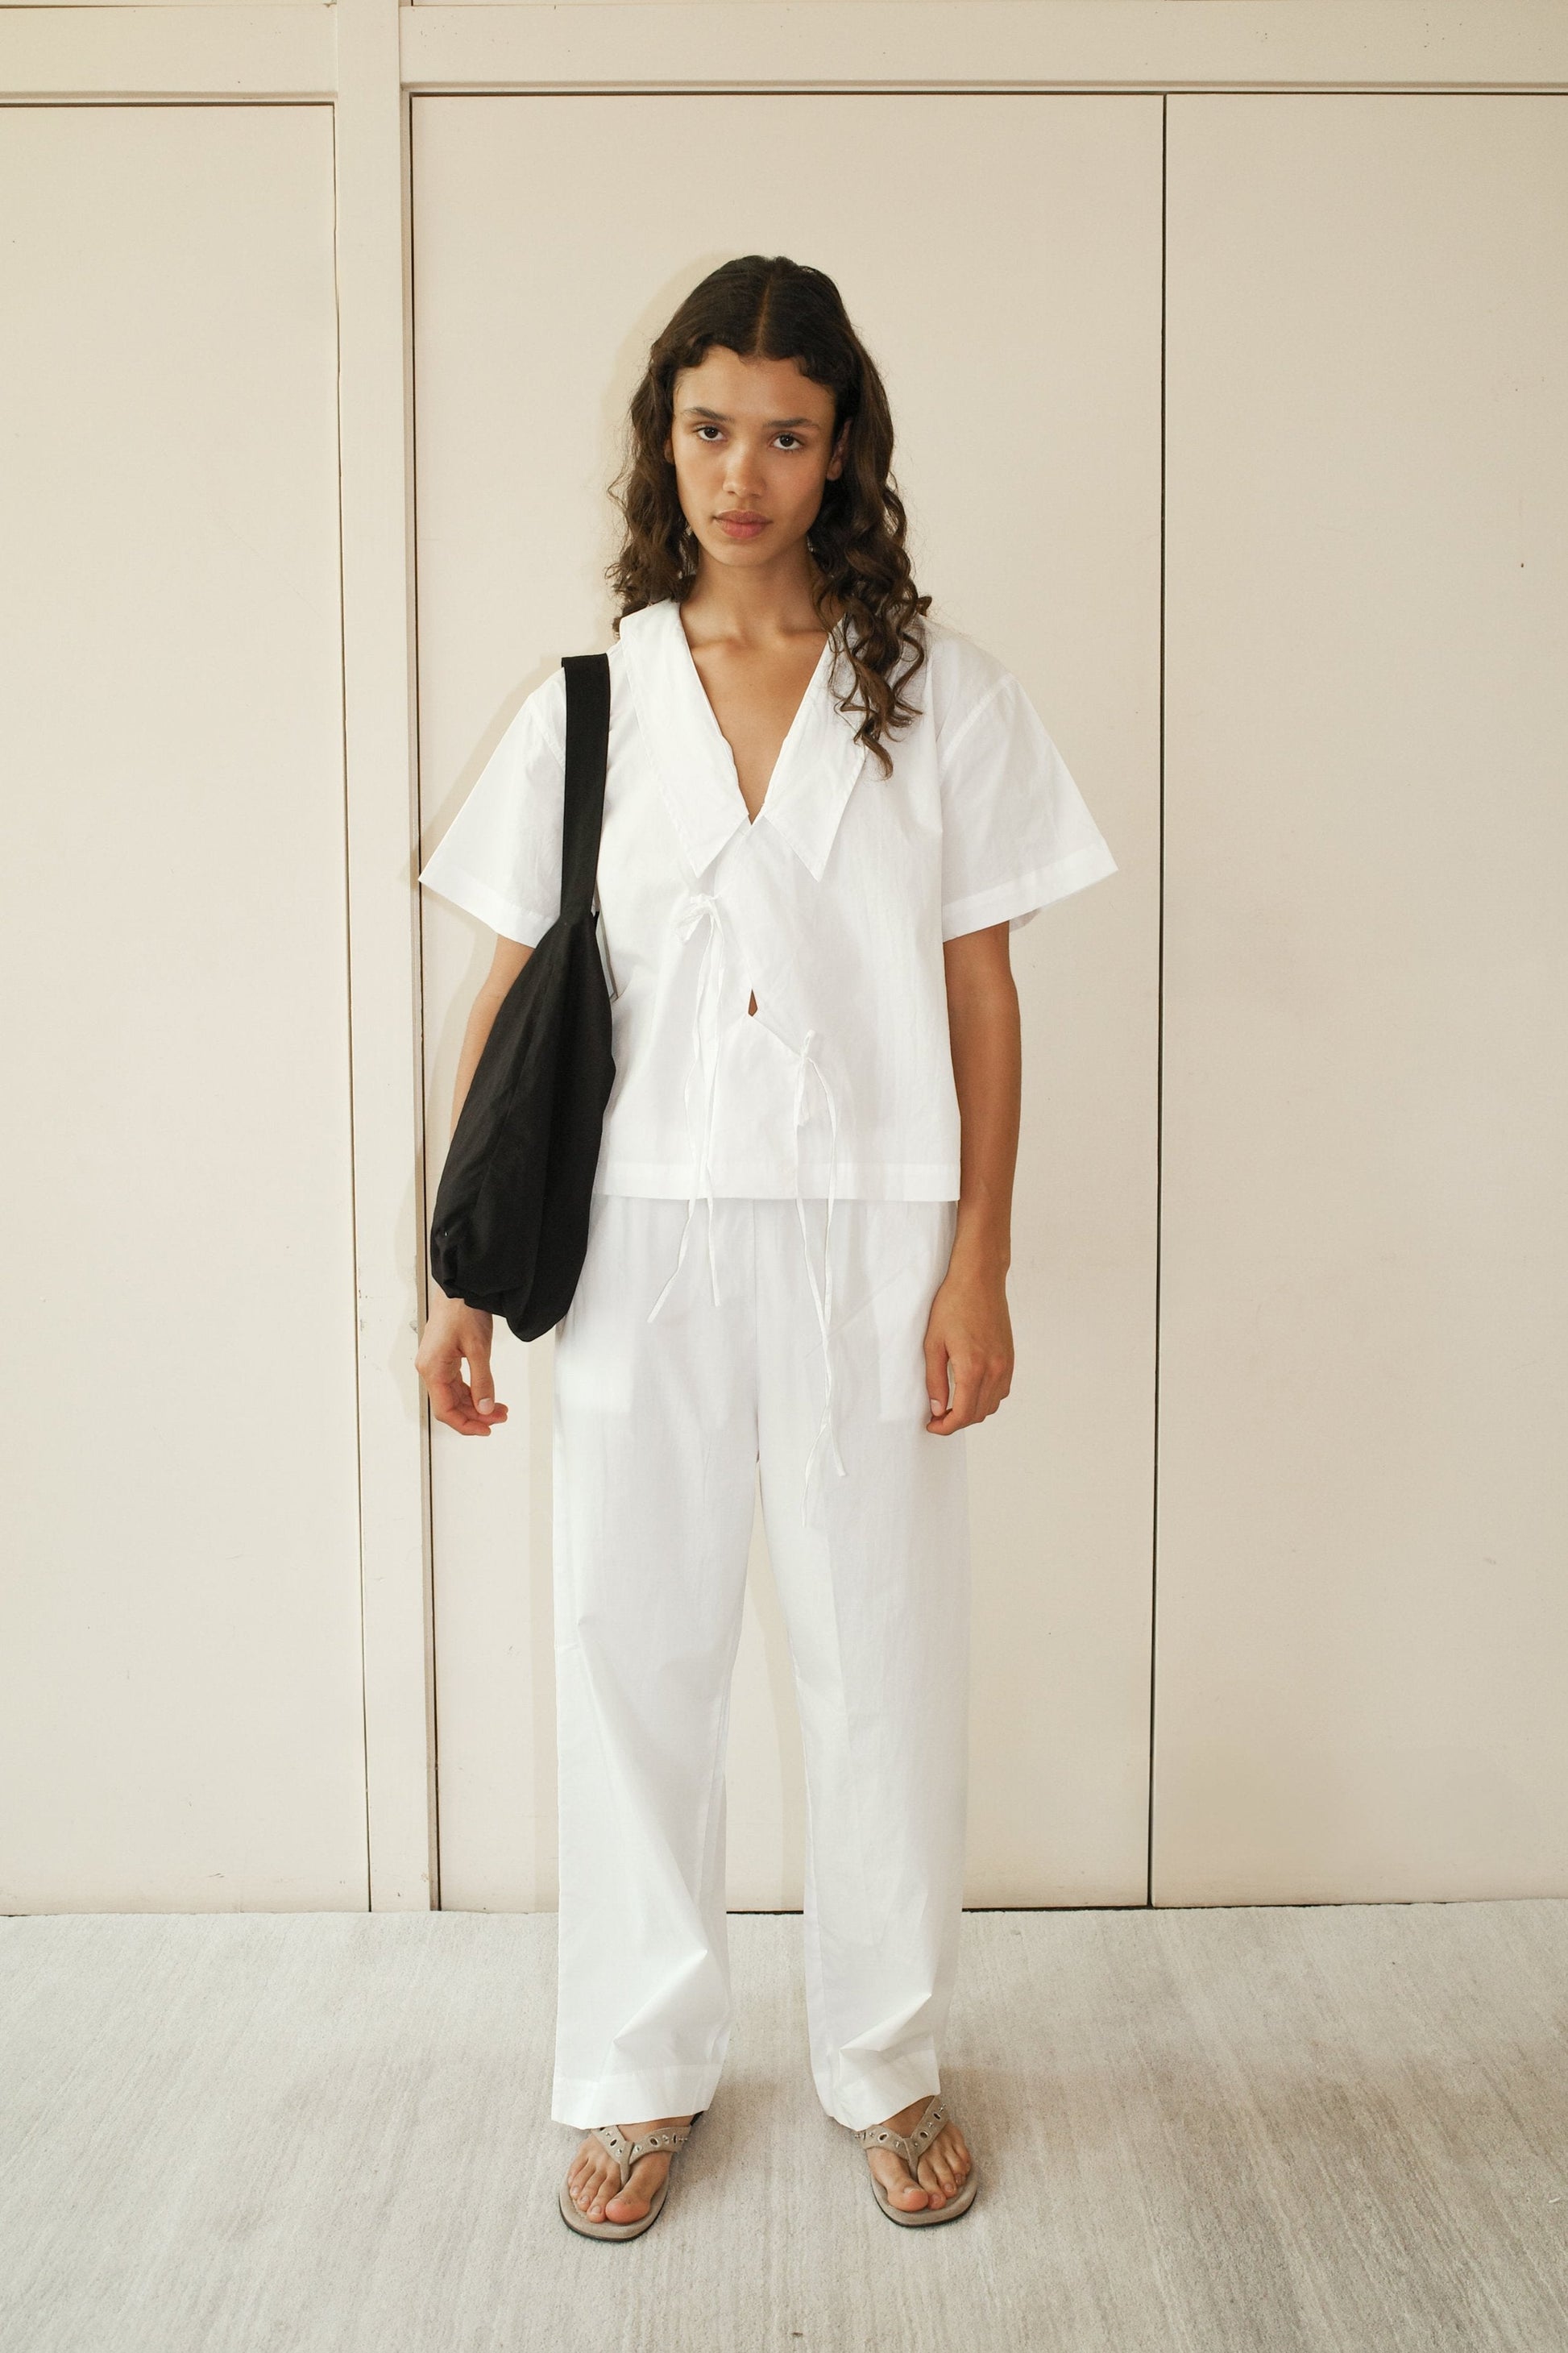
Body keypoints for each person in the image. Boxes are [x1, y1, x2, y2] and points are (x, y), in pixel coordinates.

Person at [415, 254, 1117, 2238]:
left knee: (876, 1651)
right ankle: (636, 2069)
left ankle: (881, 2052)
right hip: (638, 1235)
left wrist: (979, 1254)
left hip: (869, 1237)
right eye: (710, 424)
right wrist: (458, 1277)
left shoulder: (938, 696)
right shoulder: (588, 702)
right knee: (629, 1645)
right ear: (668, 437)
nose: (742, 468)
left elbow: (980, 995)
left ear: (840, 454)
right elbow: (509, 1002)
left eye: (786, 434)